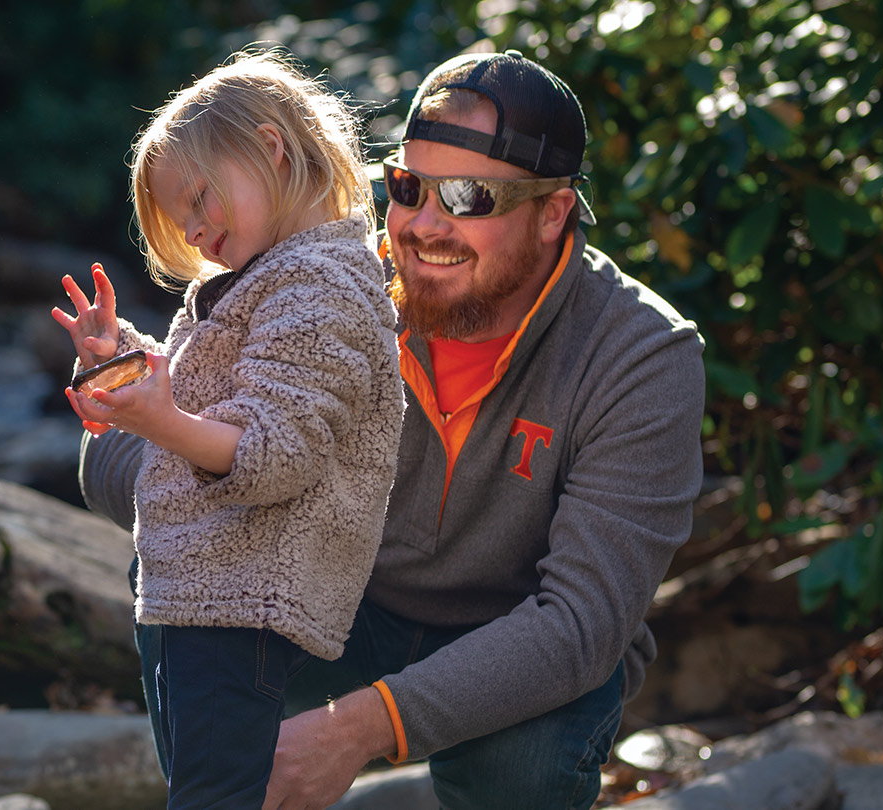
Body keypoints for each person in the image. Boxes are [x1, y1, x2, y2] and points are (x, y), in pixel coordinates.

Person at [79, 50, 706, 810]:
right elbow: (125, 446)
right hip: (331, 600)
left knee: (522, 770)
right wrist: (142, 408)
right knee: (185, 581)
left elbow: (583, 623)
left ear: (553, 213)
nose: (423, 225)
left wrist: (358, 728)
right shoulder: (323, 283)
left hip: (508, 636)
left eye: (471, 196)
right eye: (406, 187)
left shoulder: (641, 356)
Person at [50, 49, 405, 808]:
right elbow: (209, 386)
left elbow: (273, 453)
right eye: (182, 220)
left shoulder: (324, 285)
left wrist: (161, 420)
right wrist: (129, 362)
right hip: (192, 585)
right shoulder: (262, 275)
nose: (196, 230)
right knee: (203, 789)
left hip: (244, 599)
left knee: (217, 797)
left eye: (201, 198)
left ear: (272, 148)